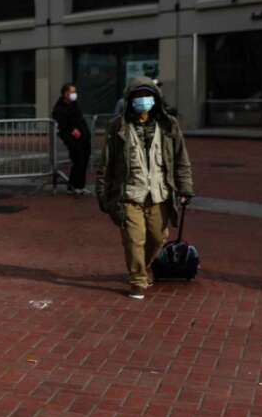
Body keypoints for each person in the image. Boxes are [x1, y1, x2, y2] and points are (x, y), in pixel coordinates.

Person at [95, 77, 195, 300]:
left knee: (158, 238)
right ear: (129, 100)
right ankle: (138, 280)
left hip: (160, 194)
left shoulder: (169, 125)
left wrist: (185, 189)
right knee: (134, 239)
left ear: (156, 99)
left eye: (147, 96)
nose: (143, 101)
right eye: (138, 97)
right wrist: (103, 196)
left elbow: (181, 160)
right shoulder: (118, 127)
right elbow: (106, 165)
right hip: (130, 195)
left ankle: (143, 267)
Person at [52, 83, 91, 196]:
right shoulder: (59, 108)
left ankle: (80, 186)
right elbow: (63, 125)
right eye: (72, 92)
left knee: (84, 161)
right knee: (78, 160)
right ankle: (75, 186)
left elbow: (80, 119)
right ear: (65, 93)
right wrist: (73, 131)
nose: (74, 94)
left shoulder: (74, 104)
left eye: (75, 92)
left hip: (83, 136)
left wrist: (85, 133)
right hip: (72, 138)